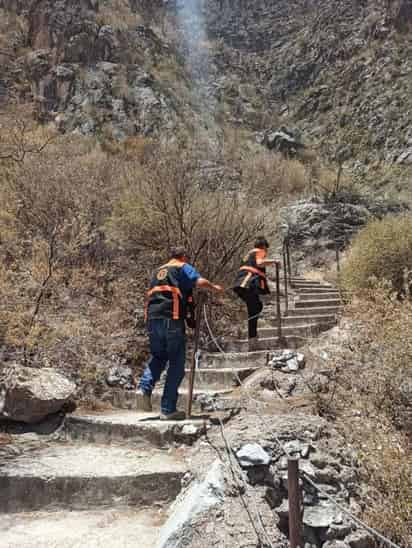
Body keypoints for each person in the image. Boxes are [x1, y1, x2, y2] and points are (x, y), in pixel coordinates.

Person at [136, 246, 223, 420]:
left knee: (159, 356)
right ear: (183, 257)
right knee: (176, 362)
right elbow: (199, 282)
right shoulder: (181, 266)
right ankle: (168, 410)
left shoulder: (157, 271)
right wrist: (215, 288)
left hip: (153, 320)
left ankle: (144, 388)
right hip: (171, 318)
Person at [233, 237, 279, 351]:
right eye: (266, 248)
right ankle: (252, 342)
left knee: (255, 308)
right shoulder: (259, 251)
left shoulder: (248, 254)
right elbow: (260, 263)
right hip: (248, 284)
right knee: (256, 307)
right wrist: (274, 261)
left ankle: (252, 340)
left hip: (240, 284)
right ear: (263, 246)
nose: (266, 252)